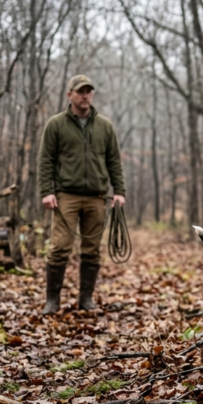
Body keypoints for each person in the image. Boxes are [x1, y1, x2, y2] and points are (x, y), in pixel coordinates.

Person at [38, 74, 126, 314]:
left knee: (91, 249)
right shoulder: (56, 125)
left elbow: (114, 162)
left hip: (97, 197)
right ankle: (52, 300)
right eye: (80, 91)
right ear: (70, 95)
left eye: (88, 91)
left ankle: (86, 299)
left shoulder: (104, 126)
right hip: (66, 195)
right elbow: (46, 160)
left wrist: (119, 191)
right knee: (59, 248)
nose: (85, 95)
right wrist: (47, 191)